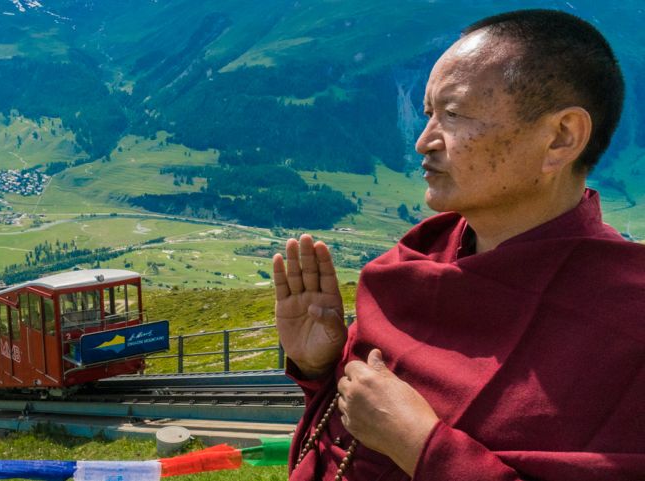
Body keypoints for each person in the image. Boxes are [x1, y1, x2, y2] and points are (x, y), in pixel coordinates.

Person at [273, 9, 645, 481]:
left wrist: (418, 444)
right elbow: (350, 442)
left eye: (453, 114)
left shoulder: (629, 323)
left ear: (560, 138)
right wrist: (320, 366)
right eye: (429, 113)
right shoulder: (410, 265)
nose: (423, 143)